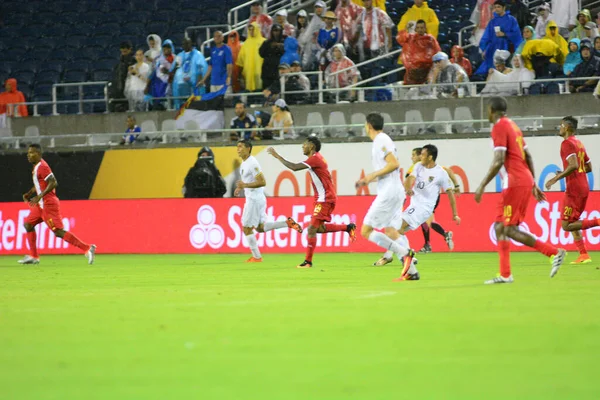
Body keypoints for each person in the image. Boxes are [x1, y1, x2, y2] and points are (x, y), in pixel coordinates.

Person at [474, 97, 566, 284]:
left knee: (508, 229)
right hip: (522, 178)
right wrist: (533, 182)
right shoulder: (514, 126)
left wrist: (482, 185)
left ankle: (553, 252)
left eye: (487, 110)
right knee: (500, 227)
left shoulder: (499, 126)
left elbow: (499, 159)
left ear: (492, 110)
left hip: (514, 180)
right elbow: (528, 155)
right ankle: (505, 274)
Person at [267, 136, 357, 268]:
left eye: (305, 144)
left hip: (325, 198)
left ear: (312, 147)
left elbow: (294, 167)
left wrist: (277, 156)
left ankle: (308, 262)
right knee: (318, 229)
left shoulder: (315, 159)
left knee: (311, 229)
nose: (302, 146)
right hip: (321, 198)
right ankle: (348, 227)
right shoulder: (316, 158)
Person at [355, 113, 417, 281]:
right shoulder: (382, 140)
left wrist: (371, 175)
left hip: (389, 192)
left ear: (368, 126)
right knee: (390, 231)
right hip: (394, 190)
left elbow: (394, 164)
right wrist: (369, 179)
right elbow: (389, 168)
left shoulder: (380, 140)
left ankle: (404, 253)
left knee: (366, 231)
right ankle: (411, 271)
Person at [375, 145, 460, 263]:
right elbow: (410, 178)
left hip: (424, 208)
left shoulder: (440, 173)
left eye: (423, 155)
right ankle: (403, 256)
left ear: (430, 157)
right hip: (414, 205)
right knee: (397, 230)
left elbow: (450, 194)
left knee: (396, 227)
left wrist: (455, 213)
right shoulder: (418, 166)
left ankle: (403, 255)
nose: (420, 157)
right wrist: (408, 187)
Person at [18, 144, 96, 265]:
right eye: (28, 153)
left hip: (48, 204)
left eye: (31, 153)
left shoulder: (43, 167)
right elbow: (40, 184)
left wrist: (39, 196)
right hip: (41, 205)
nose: (28, 155)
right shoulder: (36, 166)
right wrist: (29, 193)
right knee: (28, 224)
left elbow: (53, 182)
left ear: (38, 154)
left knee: (58, 232)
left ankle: (87, 248)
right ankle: (34, 256)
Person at [235, 139, 303, 262]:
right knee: (260, 228)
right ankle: (286, 223)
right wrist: (241, 187)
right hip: (258, 198)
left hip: (254, 200)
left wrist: (244, 185)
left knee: (247, 228)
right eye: (237, 147)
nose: (238, 149)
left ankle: (256, 257)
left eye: (240, 147)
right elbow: (249, 181)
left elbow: (262, 182)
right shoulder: (244, 163)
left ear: (248, 148)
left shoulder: (252, 163)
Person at [545, 116, 599, 264]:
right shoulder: (578, 143)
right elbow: (588, 167)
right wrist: (567, 172)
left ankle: (598, 221)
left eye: (561, 125)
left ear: (567, 127)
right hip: (582, 186)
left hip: (574, 189)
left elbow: (574, 165)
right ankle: (583, 254)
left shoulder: (567, 143)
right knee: (572, 221)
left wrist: (556, 178)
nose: (559, 127)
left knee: (566, 225)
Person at [475, 0, 523, 76]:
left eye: (498, 7)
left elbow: (516, 34)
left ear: (504, 8)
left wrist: (505, 34)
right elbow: (487, 36)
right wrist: (484, 49)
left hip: (506, 48)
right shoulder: (492, 21)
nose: (496, 9)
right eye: (495, 7)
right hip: (492, 48)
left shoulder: (511, 20)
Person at [397, 20, 441, 84]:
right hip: (412, 70)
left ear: (425, 28)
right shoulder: (410, 38)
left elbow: (437, 51)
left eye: (422, 28)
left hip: (427, 69)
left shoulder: (430, 39)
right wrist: (406, 29)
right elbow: (400, 39)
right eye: (418, 27)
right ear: (415, 29)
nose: (420, 29)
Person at [172, 38, 208, 109]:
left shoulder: (197, 54)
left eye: (187, 43)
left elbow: (202, 67)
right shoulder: (180, 55)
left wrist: (199, 78)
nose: (185, 45)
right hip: (181, 84)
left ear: (191, 44)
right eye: (183, 44)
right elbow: (174, 68)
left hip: (195, 82)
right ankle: (178, 107)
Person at [236, 22, 266, 92]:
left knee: (259, 91)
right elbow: (241, 60)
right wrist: (240, 75)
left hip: (260, 72)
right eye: (250, 30)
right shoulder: (246, 43)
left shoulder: (264, 42)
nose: (251, 31)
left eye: (253, 29)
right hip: (248, 73)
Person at [146, 40, 175, 110]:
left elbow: (177, 73)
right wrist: (147, 86)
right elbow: (152, 73)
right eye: (164, 48)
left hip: (170, 86)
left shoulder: (176, 59)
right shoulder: (157, 59)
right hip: (157, 86)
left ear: (171, 48)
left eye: (168, 48)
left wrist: (168, 72)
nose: (166, 50)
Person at [298, 1, 327, 70]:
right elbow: (307, 35)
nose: (318, 9)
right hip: (315, 48)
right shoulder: (314, 20)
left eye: (319, 7)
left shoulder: (328, 19)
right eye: (316, 7)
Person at [259, 24, 286, 91]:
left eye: (278, 31)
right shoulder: (266, 42)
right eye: (274, 31)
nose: (276, 33)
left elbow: (286, 52)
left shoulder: (284, 42)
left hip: (278, 72)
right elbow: (261, 53)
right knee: (266, 92)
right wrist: (270, 47)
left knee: (278, 91)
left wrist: (279, 46)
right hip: (267, 72)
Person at [110, 41, 135, 112]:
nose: (123, 53)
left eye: (125, 51)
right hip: (121, 84)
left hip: (129, 83)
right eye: (122, 52)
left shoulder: (133, 60)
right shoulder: (121, 59)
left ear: (130, 50)